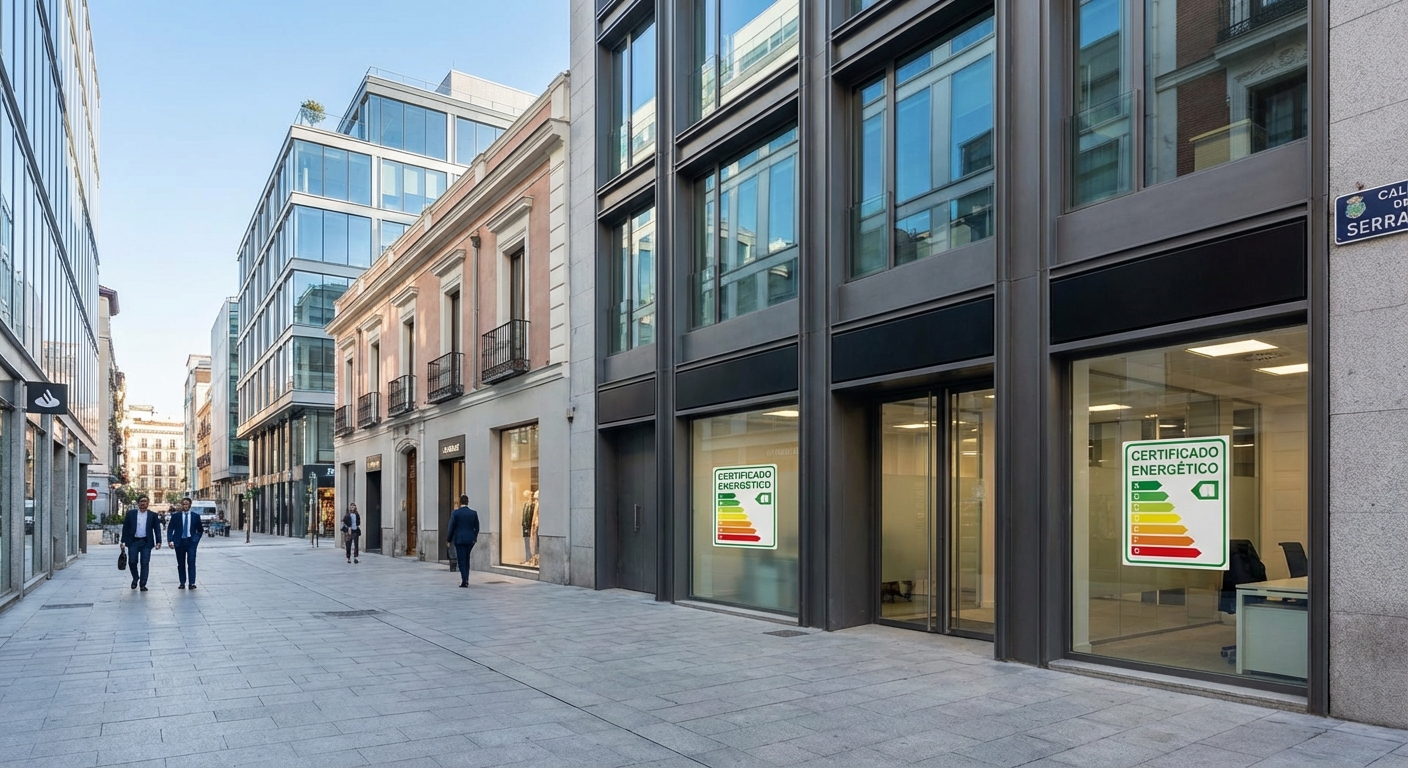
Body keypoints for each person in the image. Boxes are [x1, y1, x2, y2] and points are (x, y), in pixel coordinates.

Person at [120, 496, 163, 591]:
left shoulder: (153, 515)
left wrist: (158, 541)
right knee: (132, 562)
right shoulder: (131, 514)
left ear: (148, 503)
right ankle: (135, 578)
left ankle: (143, 584)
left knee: (145, 563)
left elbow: (157, 529)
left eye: (145, 501)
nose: (143, 503)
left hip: (146, 543)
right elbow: (125, 528)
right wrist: (123, 541)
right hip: (133, 542)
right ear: (138, 503)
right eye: (141, 501)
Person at [166, 498, 205, 590]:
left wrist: (196, 539)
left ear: (190, 505)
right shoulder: (176, 516)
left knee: (191, 562)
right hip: (179, 542)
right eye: (183, 504)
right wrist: (170, 540)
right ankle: (182, 582)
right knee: (181, 563)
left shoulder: (195, 516)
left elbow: (200, 530)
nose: (185, 506)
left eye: (187, 504)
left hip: (191, 542)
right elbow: (170, 528)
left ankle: (192, 583)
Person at [446, 495, 480, 588]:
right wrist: (474, 537)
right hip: (470, 540)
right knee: (467, 558)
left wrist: (448, 539)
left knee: (461, 559)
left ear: (460, 502)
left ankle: (464, 580)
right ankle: (466, 578)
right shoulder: (473, 513)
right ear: (468, 502)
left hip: (460, 540)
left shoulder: (456, 513)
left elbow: (451, 527)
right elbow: (477, 527)